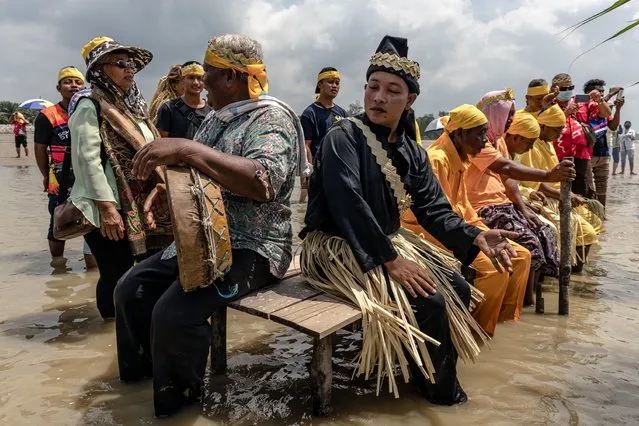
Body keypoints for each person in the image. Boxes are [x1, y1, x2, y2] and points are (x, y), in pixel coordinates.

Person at [302, 35, 519, 405]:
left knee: (460, 288)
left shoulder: (409, 150)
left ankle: (417, 369)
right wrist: (389, 259)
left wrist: (474, 236)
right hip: (340, 246)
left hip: (386, 240)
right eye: (372, 87)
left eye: (392, 90)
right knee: (430, 302)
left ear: (410, 100)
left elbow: (433, 208)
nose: (379, 98)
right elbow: (347, 203)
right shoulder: (342, 138)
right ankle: (439, 395)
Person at [114, 34, 303, 417]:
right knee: (129, 289)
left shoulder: (271, 118)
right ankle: (140, 389)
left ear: (233, 77)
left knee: (173, 315)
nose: (202, 82)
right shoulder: (217, 119)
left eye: (210, 75)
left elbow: (261, 181)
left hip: (254, 245)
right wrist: (163, 193)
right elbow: (194, 173)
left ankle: (179, 407)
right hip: (204, 234)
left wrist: (187, 148)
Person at [402, 104, 532, 336]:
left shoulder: (460, 157)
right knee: (496, 269)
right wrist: (472, 238)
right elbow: (436, 217)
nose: (485, 141)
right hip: (430, 232)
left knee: (522, 256)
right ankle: (477, 331)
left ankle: (503, 322)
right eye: (480, 134)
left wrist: (482, 232)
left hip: (460, 227)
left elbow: (465, 209)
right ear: (460, 134)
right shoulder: (437, 160)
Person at [68, 37, 173, 320]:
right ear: (101, 69)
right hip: (109, 207)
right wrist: (107, 208)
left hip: (139, 208)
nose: (130, 69)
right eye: (121, 63)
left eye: (132, 65)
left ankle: (132, 326)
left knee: (138, 271)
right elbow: (86, 159)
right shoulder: (89, 105)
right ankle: (110, 331)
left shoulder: (133, 108)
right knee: (114, 273)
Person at [469, 90, 573, 305]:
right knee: (529, 242)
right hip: (481, 206)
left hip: (501, 203)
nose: (511, 120)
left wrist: (523, 207)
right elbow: (506, 167)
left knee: (545, 232)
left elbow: (508, 178)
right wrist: (549, 175)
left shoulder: (497, 141)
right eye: (508, 115)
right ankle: (524, 301)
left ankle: (529, 296)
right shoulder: (477, 141)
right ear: (495, 115)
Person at [518, 105, 602, 272]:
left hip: (559, 194)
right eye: (556, 130)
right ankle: (565, 269)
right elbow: (535, 181)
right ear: (543, 127)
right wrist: (563, 196)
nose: (559, 134)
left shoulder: (548, 143)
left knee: (596, 220)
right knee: (586, 233)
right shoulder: (530, 146)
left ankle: (570, 265)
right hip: (545, 196)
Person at [34, 66, 94, 267]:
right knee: (58, 219)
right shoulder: (47, 115)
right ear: (58, 87)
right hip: (59, 178)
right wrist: (45, 175)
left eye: (78, 82)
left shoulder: (91, 110)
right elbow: (40, 149)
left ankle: (92, 269)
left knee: (93, 221)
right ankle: (58, 264)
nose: (74, 86)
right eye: (68, 82)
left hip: (89, 174)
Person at [299, 67, 347, 202]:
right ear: (320, 84)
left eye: (337, 83)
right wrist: (309, 173)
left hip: (339, 169)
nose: (335, 86)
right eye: (330, 82)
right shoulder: (310, 113)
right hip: (319, 170)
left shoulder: (342, 113)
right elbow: (306, 145)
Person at [551, 73, 594, 198]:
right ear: (555, 89)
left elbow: (604, 111)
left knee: (584, 193)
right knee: (561, 192)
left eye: (571, 87)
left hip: (581, 155)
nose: (568, 91)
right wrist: (566, 112)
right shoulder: (548, 103)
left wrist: (599, 98)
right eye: (564, 89)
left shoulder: (579, 99)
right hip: (557, 155)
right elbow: (547, 126)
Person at [582, 79, 624, 205]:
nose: (600, 94)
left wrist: (618, 109)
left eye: (602, 92)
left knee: (602, 189)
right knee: (587, 189)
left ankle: (602, 217)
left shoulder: (604, 108)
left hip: (603, 153)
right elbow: (592, 106)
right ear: (588, 93)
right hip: (587, 154)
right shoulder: (582, 106)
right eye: (598, 92)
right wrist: (609, 94)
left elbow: (613, 126)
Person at [156, 61, 212, 139]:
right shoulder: (168, 109)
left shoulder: (212, 111)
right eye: (191, 78)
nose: (196, 82)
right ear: (182, 80)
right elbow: (161, 142)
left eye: (199, 78)